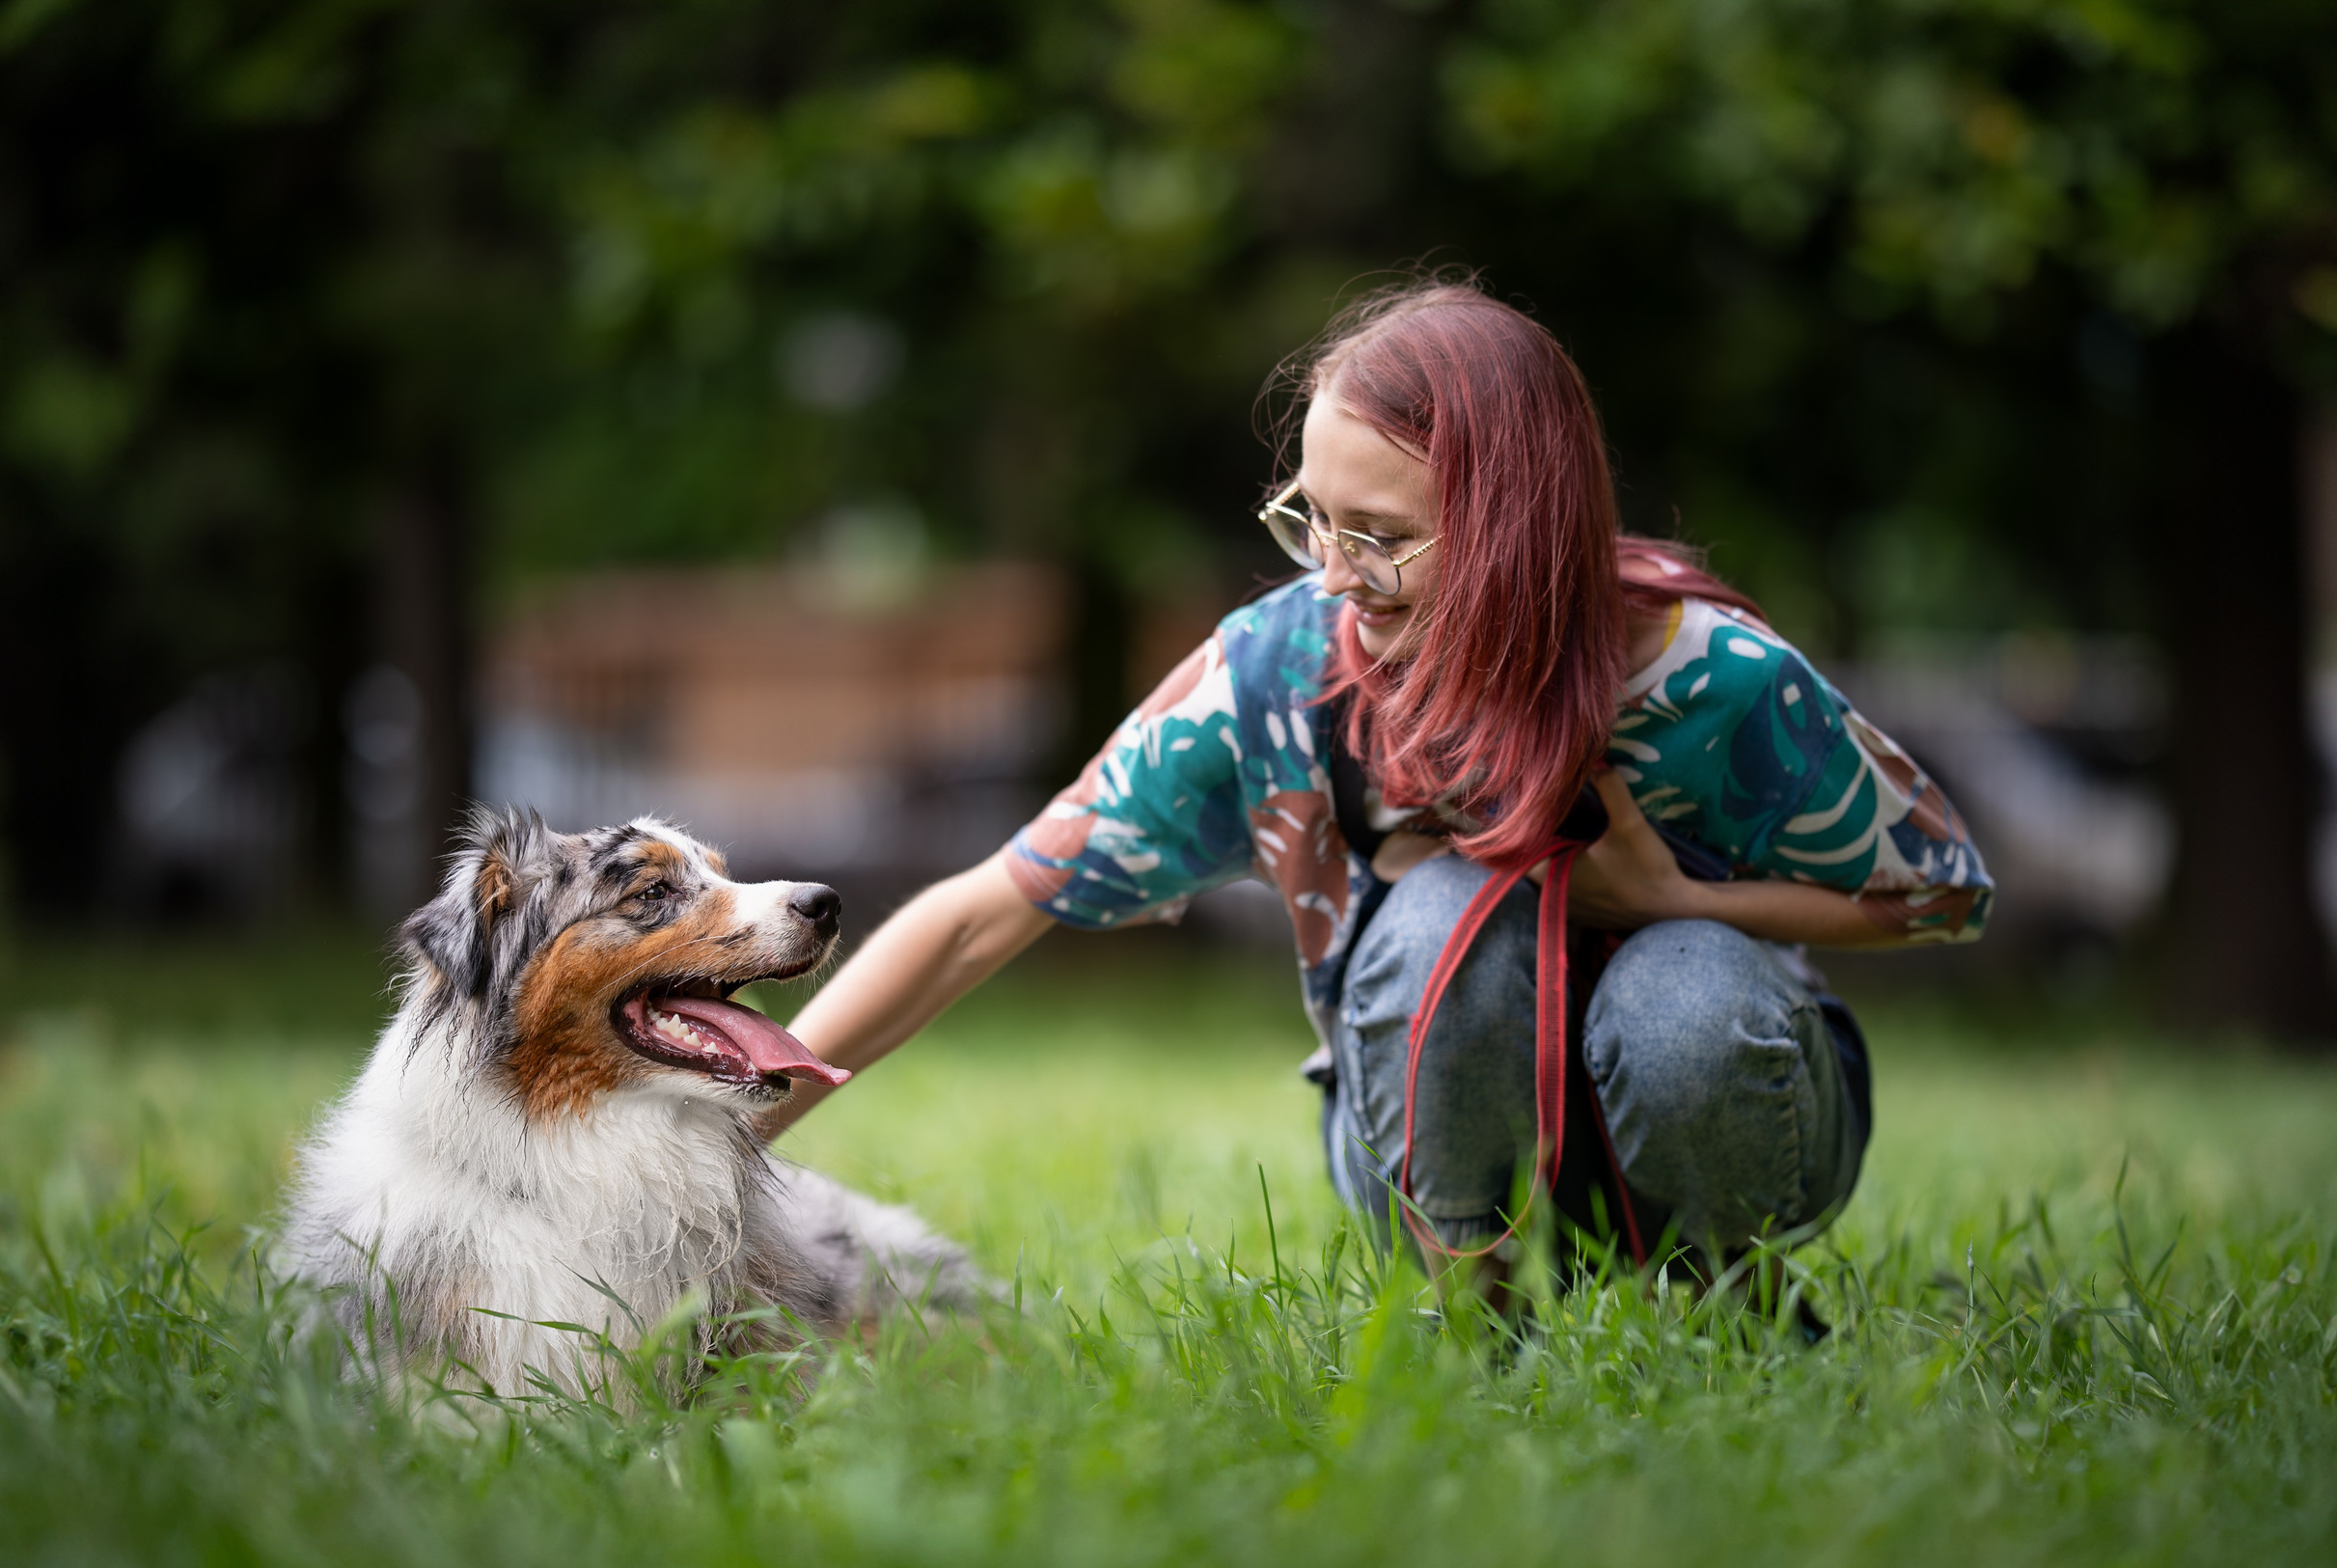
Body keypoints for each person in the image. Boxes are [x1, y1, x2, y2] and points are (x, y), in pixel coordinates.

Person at [761, 280, 1993, 1304]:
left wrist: (1680, 900)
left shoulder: (1715, 681)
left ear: (1517, 526)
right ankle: (1471, 1311)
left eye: (1383, 535)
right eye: (1314, 519)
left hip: (1735, 1117)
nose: (1337, 575)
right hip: (1419, 1146)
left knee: (1688, 983)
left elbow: (1939, 895)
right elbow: (980, 913)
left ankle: (1721, 1295)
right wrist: (732, 1125)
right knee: (1441, 911)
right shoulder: (1278, 674)